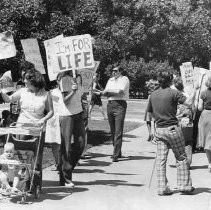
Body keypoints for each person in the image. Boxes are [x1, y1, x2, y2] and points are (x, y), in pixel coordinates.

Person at [146, 71, 197, 196]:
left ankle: (162, 188)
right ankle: (184, 185)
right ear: (170, 81)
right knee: (181, 157)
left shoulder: (152, 95)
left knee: (161, 159)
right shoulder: (174, 93)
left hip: (159, 129)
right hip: (173, 128)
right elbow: (189, 103)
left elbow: (150, 114)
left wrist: (153, 130)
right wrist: (195, 90)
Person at [0, 69, 54, 184]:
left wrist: (43, 119)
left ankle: (35, 184)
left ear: (33, 81)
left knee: (35, 157)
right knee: (20, 155)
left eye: (26, 80)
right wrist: (1, 91)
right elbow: (9, 99)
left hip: (37, 129)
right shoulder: (23, 91)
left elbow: (50, 112)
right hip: (22, 128)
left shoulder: (46, 94)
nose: (24, 82)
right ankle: (17, 182)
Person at [58, 71, 85, 187]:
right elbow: (65, 101)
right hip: (67, 115)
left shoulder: (79, 77)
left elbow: (81, 97)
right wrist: (73, 91)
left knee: (81, 144)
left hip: (79, 114)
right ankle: (66, 178)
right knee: (66, 146)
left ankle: (65, 170)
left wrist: (84, 110)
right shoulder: (64, 79)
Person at [101, 66, 130, 162]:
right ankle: (117, 151)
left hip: (120, 105)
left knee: (118, 130)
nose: (113, 72)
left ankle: (115, 154)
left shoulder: (124, 79)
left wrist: (109, 92)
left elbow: (120, 92)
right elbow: (105, 93)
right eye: (112, 71)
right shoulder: (110, 80)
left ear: (120, 71)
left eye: (116, 71)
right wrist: (109, 92)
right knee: (113, 131)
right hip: (110, 104)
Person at [174, 77, 194, 167]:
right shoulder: (188, 94)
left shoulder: (174, 95)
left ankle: (179, 162)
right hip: (188, 121)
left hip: (177, 121)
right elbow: (193, 107)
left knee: (178, 142)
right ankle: (188, 163)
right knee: (188, 142)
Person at [198, 76, 211, 172]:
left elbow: (199, 107)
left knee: (207, 139)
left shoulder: (203, 93)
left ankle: (210, 162)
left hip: (206, 116)